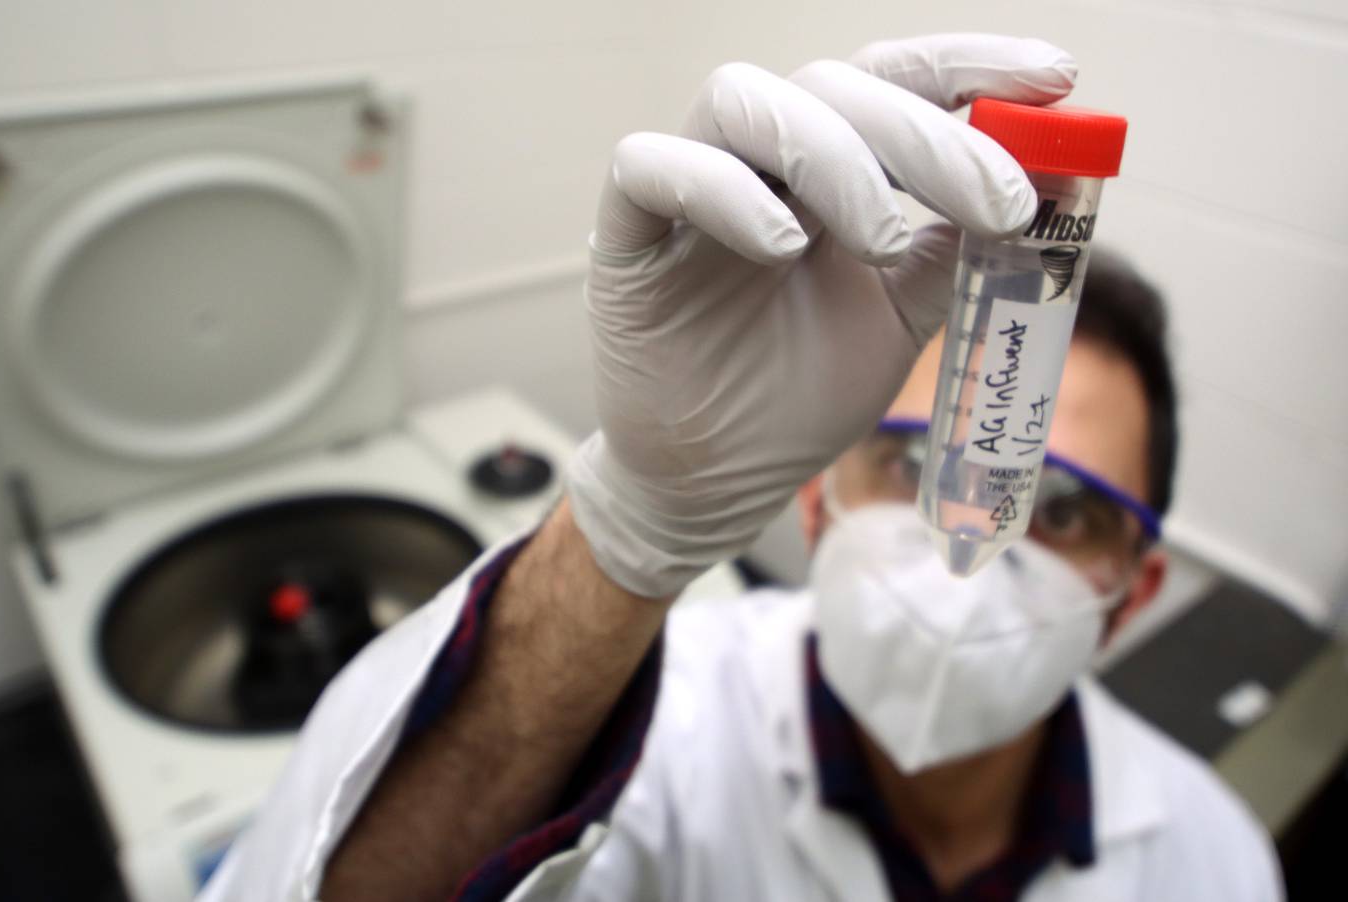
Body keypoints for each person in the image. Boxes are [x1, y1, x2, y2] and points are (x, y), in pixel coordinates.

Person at [201, 33, 1282, 901]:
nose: (975, 542)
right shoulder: (662, 736)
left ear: (1132, 593)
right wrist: (632, 524)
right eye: (908, 461)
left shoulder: (1215, 857)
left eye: (1064, 512)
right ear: (815, 501)